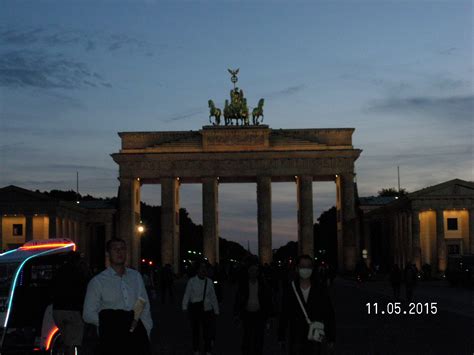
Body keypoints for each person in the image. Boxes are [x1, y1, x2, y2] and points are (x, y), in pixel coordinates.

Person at [83, 238, 153, 355]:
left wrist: (147, 329)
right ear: (108, 254)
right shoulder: (98, 282)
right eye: (115, 249)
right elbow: (88, 314)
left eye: (122, 249)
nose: (119, 252)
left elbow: (142, 302)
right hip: (111, 339)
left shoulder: (136, 277)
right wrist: (112, 324)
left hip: (136, 336)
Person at [278, 255, 335, 355]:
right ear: (297, 268)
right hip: (296, 336)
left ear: (312, 269)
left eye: (308, 266)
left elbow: (328, 314)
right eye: (302, 266)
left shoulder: (320, 289)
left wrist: (331, 338)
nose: (305, 269)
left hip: (314, 337)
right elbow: (284, 314)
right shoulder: (290, 290)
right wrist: (281, 336)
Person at [52, 252, 90, 355]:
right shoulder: (78, 272)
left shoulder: (59, 271)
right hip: (72, 310)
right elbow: (83, 290)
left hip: (58, 310)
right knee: (74, 341)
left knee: (66, 339)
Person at [234, 263, 273, 355]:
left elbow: (268, 300)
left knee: (259, 338)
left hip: (259, 314)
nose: (253, 272)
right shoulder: (243, 285)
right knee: (246, 337)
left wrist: (270, 315)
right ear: (248, 271)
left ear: (258, 272)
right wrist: (236, 314)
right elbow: (238, 299)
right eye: (251, 270)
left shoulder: (263, 285)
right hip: (247, 314)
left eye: (255, 271)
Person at [182, 261, 219, 355]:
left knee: (207, 331)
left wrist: (216, 310)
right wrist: (184, 307)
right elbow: (187, 294)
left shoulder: (209, 281)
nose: (203, 270)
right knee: (195, 330)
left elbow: (213, 297)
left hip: (207, 309)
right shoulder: (191, 281)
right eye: (201, 268)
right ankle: (196, 349)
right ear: (197, 270)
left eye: (204, 269)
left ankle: (207, 349)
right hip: (195, 309)